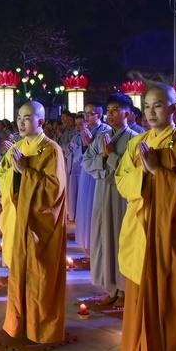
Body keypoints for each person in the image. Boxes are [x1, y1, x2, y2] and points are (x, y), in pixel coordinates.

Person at [116, 84, 176, 351]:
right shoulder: (136, 143)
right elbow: (122, 182)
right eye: (146, 106)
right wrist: (143, 175)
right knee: (138, 297)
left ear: (173, 108)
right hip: (140, 231)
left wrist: (159, 171)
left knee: (171, 298)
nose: (151, 112)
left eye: (157, 105)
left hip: (170, 235)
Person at [0, 101, 67, 343]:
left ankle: (41, 328)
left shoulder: (51, 150)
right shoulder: (16, 147)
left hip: (39, 224)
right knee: (18, 273)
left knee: (39, 275)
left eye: (27, 118)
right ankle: (18, 324)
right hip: (19, 220)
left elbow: (53, 191)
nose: (21, 122)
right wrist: (16, 173)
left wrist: (26, 172)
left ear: (41, 121)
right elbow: (2, 177)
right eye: (19, 117)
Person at [83, 93, 137, 309]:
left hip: (123, 196)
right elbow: (87, 162)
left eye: (116, 110)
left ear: (128, 114)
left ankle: (125, 290)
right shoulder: (102, 137)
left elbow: (133, 171)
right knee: (104, 238)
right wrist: (103, 157)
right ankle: (111, 288)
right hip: (102, 190)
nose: (111, 114)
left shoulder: (135, 139)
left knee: (121, 239)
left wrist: (112, 156)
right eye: (109, 110)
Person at [75, 103, 111, 252]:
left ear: (99, 115)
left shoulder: (106, 131)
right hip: (86, 171)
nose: (87, 117)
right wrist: (85, 146)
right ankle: (85, 242)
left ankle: (94, 245)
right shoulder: (86, 130)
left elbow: (105, 154)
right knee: (84, 204)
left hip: (97, 174)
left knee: (93, 206)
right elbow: (81, 152)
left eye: (90, 113)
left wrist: (89, 144)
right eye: (85, 113)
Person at [65, 113, 86, 223]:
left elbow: (84, 152)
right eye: (77, 125)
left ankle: (79, 215)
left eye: (81, 125)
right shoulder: (75, 137)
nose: (78, 127)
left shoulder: (86, 136)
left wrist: (76, 150)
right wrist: (70, 149)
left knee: (81, 193)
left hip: (82, 169)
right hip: (73, 169)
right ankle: (72, 214)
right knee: (73, 192)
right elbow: (68, 152)